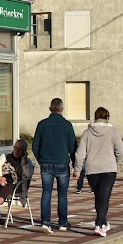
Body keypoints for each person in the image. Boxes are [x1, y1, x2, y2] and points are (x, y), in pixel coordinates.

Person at [73, 107, 123, 237]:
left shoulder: (87, 133)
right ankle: (98, 224)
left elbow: (80, 154)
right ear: (107, 118)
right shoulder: (113, 132)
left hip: (92, 170)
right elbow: (121, 151)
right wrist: (115, 162)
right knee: (104, 197)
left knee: (99, 196)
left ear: (95, 117)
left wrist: (77, 170)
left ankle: (103, 223)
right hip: (109, 169)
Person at [32, 98, 77, 233]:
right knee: (62, 195)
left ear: (50, 108)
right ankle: (63, 223)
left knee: (46, 193)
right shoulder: (67, 125)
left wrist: (41, 159)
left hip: (46, 164)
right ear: (62, 109)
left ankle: (46, 222)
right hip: (62, 163)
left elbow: (35, 146)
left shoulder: (42, 124)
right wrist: (75, 164)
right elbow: (73, 146)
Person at [0, 138, 34, 227]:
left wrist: (23, 162)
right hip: (1, 181)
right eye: (15, 148)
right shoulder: (5, 156)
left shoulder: (27, 162)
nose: (16, 151)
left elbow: (29, 174)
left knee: (7, 187)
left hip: (16, 185)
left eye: (19, 150)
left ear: (24, 152)